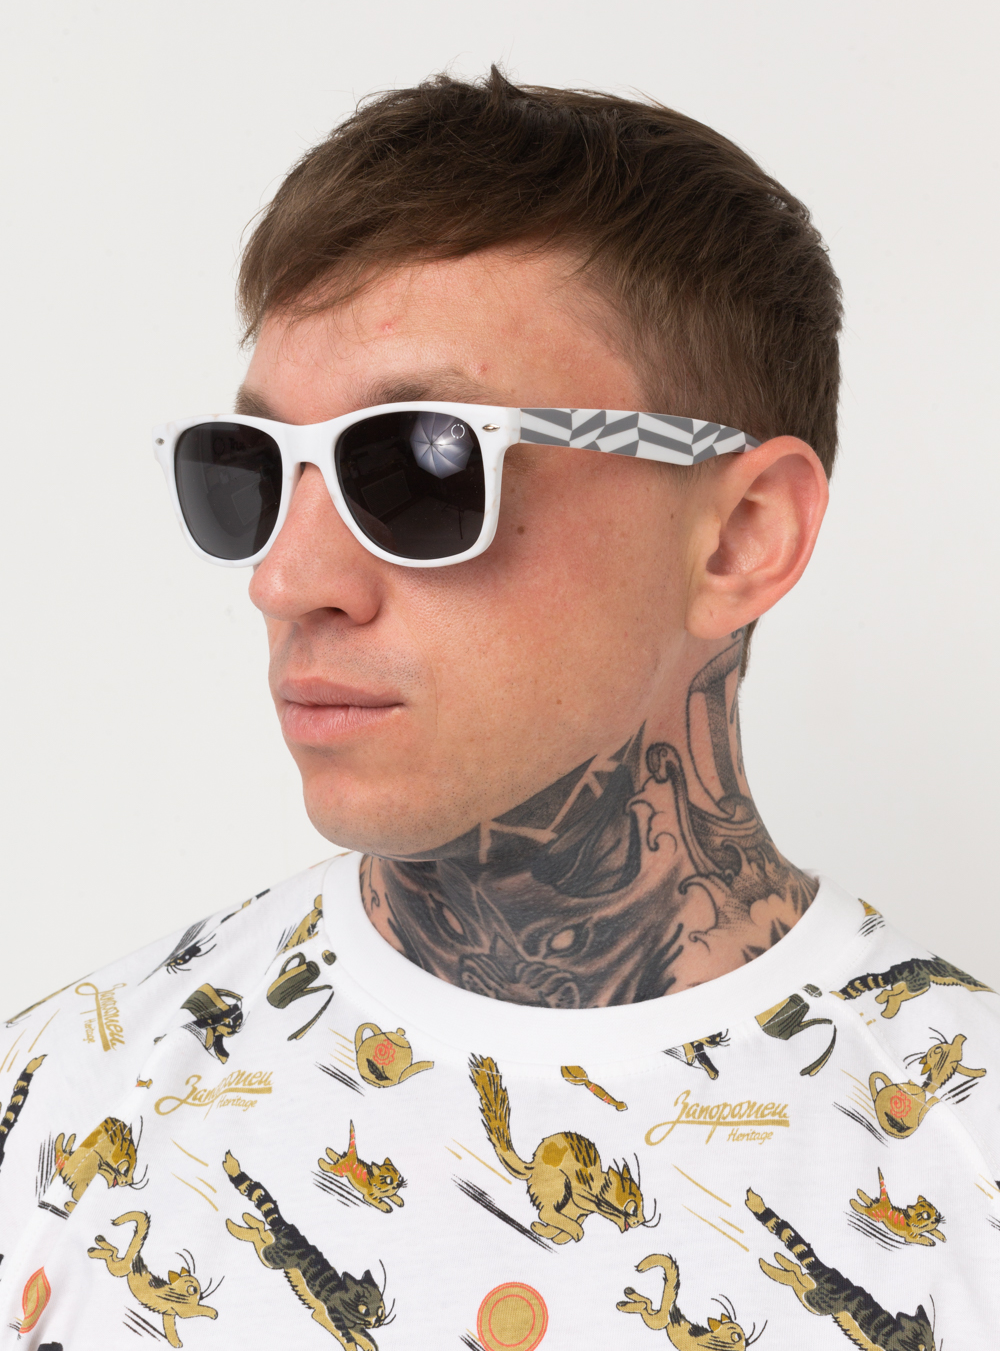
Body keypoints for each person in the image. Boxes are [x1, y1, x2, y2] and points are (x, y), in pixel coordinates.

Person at [1, 70, 995, 1351]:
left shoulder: (968, 1160)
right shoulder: (57, 1111)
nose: (284, 581)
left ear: (740, 535)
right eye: (248, 470)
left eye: (420, 464)